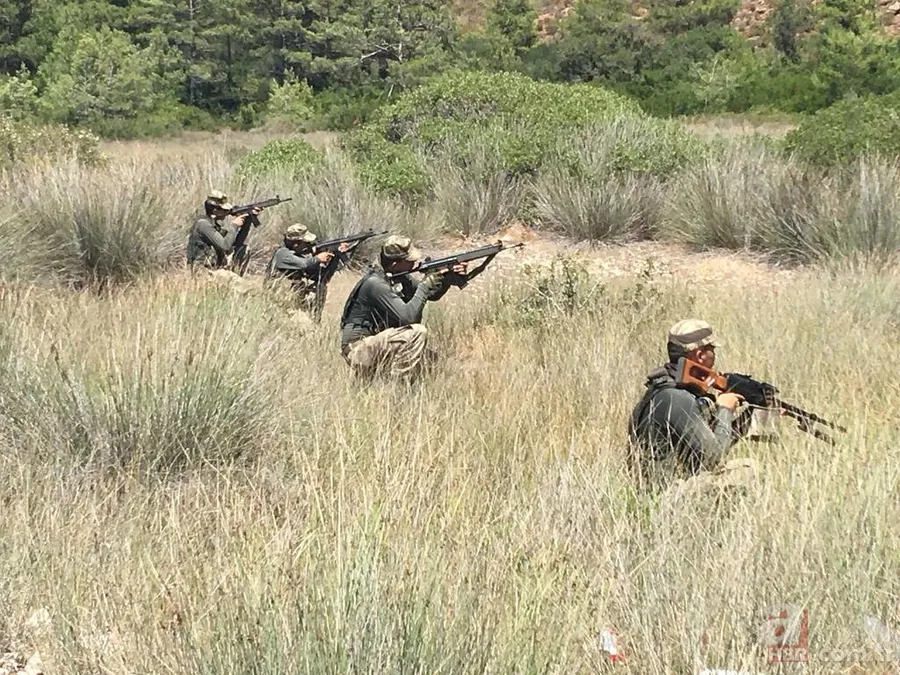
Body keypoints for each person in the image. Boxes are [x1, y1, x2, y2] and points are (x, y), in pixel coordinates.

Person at [627, 319, 757, 493]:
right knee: (745, 469)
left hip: (662, 490)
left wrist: (748, 417)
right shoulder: (676, 398)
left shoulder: (667, 389)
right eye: (711, 349)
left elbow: (713, 442)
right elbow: (713, 457)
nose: (714, 355)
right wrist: (725, 409)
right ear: (700, 355)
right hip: (664, 496)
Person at [339, 235, 480, 380]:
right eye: (409, 261)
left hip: (378, 343)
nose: (414, 263)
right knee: (417, 332)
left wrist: (446, 277)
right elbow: (408, 317)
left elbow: (431, 295)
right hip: (357, 349)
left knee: (437, 363)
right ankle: (398, 386)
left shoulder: (397, 277)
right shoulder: (375, 284)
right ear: (395, 264)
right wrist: (425, 285)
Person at [265, 223, 352, 321]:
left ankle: (314, 319)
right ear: (296, 244)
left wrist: (336, 255)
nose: (310, 245)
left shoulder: (300, 255)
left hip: (294, 303)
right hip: (279, 304)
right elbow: (305, 264)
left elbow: (323, 278)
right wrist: (318, 259)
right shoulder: (282, 254)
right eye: (306, 243)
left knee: (319, 287)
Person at [186, 190, 260, 272]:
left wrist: (247, 221)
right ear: (215, 210)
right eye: (224, 210)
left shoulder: (214, 225)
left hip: (215, 268)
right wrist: (234, 225)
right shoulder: (203, 224)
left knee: (243, 249)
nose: (227, 212)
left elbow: (237, 244)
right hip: (202, 270)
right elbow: (225, 246)